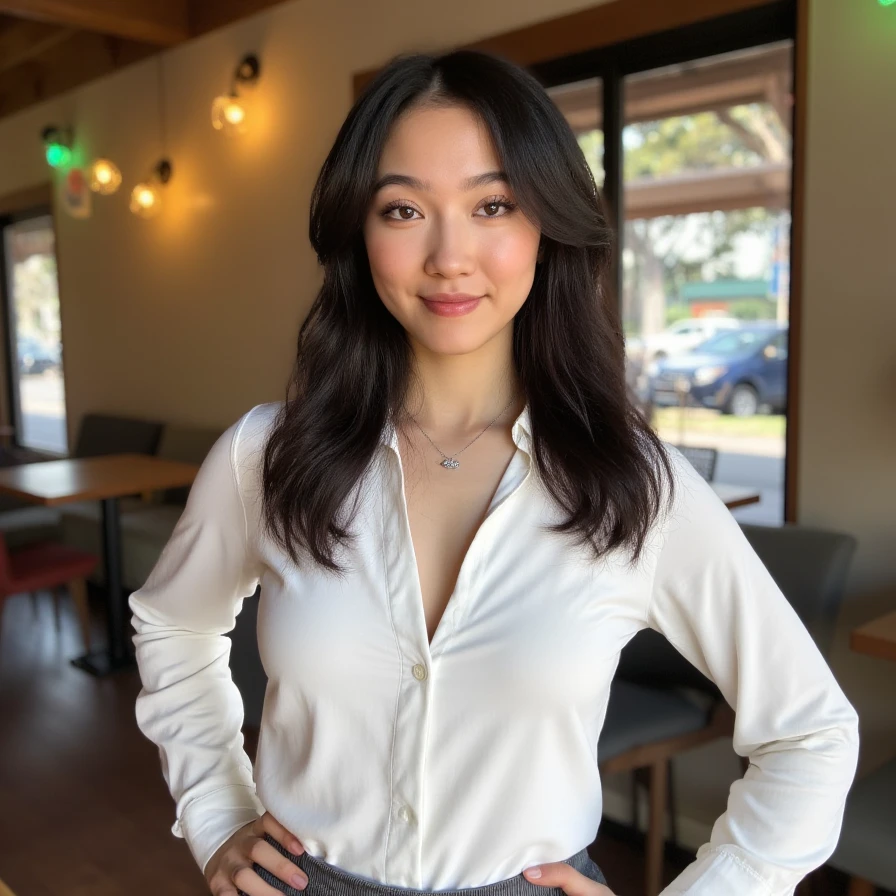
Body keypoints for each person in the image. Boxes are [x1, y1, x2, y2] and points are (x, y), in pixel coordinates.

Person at [128, 49, 860, 896]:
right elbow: (173, 625)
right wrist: (217, 812)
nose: (450, 256)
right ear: (357, 233)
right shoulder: (267, 455)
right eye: (403, 209)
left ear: (545, 224)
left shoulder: (636, 486)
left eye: (494, 204)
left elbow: (810, 731)